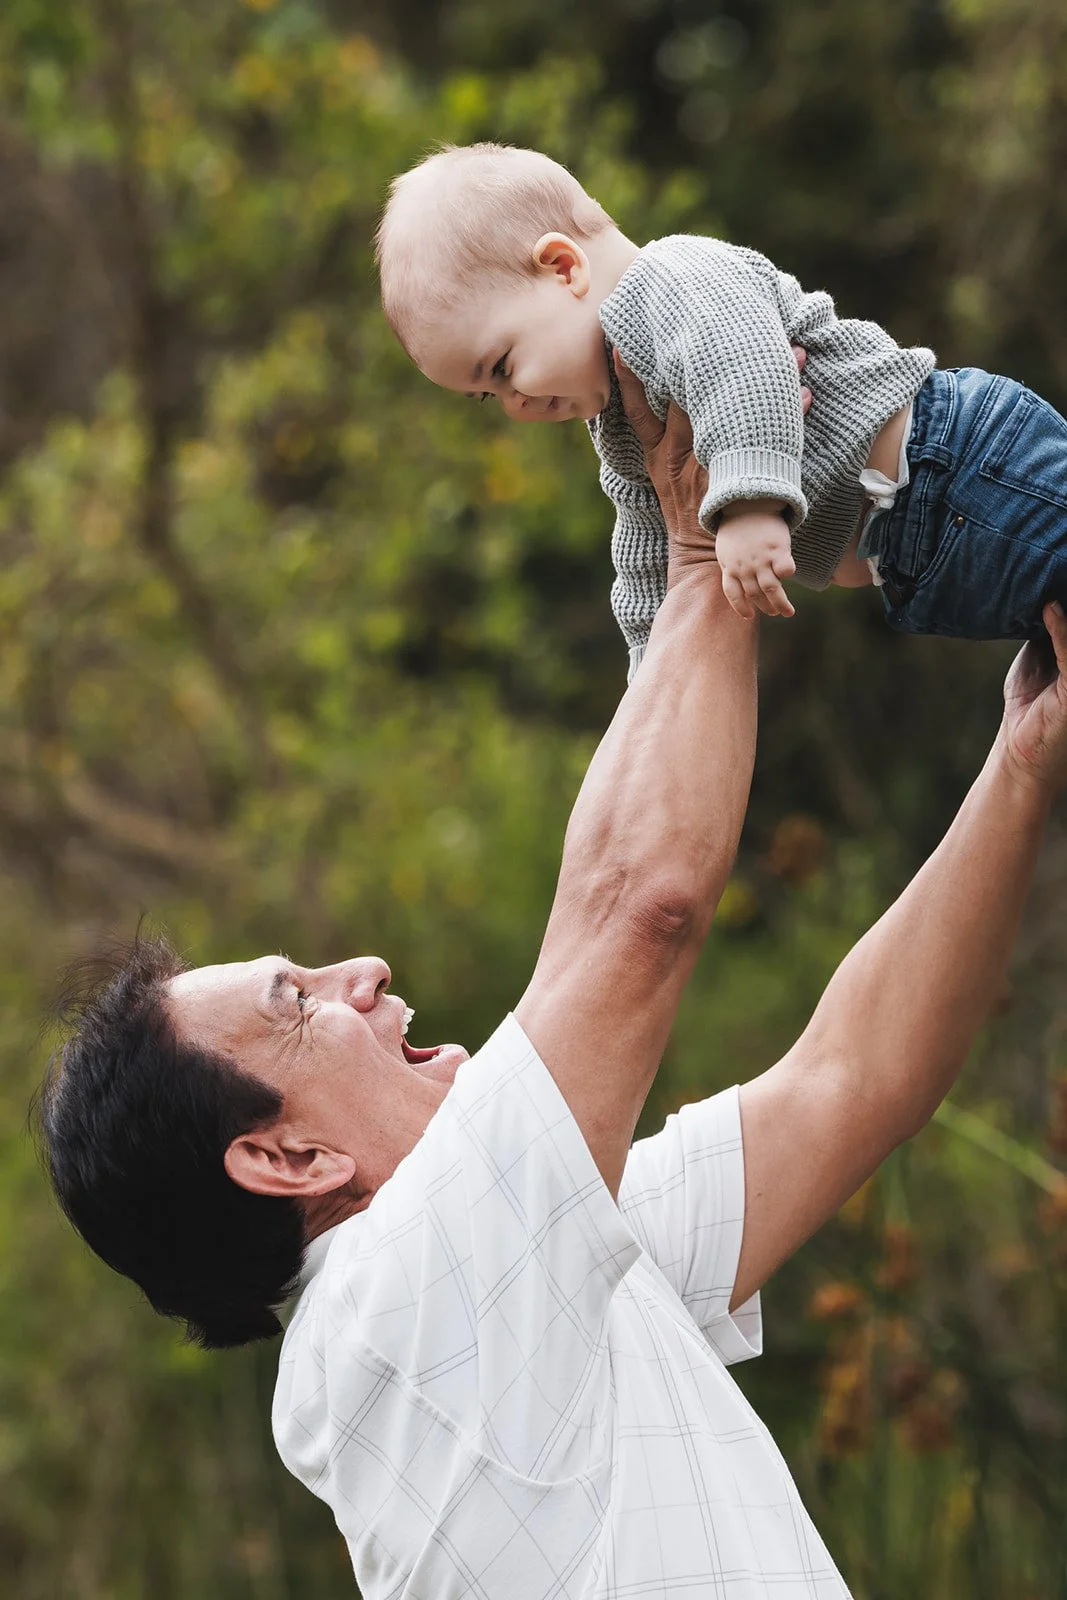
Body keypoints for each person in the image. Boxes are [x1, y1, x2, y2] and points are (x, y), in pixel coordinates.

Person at [37, 364, 1067, 1599]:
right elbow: (639, 909)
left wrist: (1020, 760)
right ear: (286, 1160)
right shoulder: (395, 1319)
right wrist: (701, 544)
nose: (360, 970)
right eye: (296, 1003)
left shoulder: (524, 1266)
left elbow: (850, 1083)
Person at [377, 141, 1067, 681]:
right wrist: (654, 676)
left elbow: (747, 367)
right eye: (487, 397)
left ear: (563, 268)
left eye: (501, 368)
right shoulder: (620, 422)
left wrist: (749, 508)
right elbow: (647, 552)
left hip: (956, 473)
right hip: (923, 556)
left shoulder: (670, 278)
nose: (515, 406)